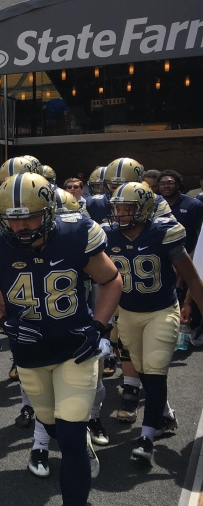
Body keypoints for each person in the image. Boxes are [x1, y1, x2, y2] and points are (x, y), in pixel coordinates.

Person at [0, 172, 121, 505]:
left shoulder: (77, 232)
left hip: (75, 348)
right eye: (12, 219)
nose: (21, 227)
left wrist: (98, 325)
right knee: (52, 428)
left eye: (30, 217)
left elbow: (111, 280)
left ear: (50, 211)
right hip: (30, 352)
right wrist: (3, 322)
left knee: (71, 435)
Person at [105, 182, 202, 463]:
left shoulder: (163, 233)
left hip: (161, 310)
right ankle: (165, 415)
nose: (121, 214)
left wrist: (196, 307)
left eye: (127, 209)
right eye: (118, 208)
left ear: (145, 209)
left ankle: (146, 438)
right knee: (144, 371)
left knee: (157, 370)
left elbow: (193, 278)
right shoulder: (108, 235)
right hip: (128, 313)